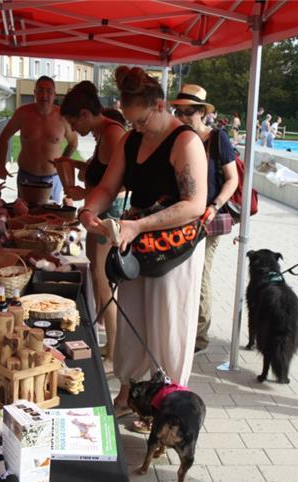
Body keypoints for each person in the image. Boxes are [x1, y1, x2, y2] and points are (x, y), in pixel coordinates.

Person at [77, 66, 207, 428]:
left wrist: (138, 224)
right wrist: (89, 208)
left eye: (142, 121)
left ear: (161, 106)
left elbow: (195, 204)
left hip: (173, 250)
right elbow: (108, 185)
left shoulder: (185, 141)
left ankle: (168, 409)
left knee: (167, 324)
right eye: (132, 122)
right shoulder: (131, 140)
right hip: (137, 244)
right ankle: (130, 391)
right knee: (133, 316)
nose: (136, 129)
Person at [59, 81, 127, 375]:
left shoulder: (112, 134)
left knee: (104, 283)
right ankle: (110, 345)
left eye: (74, 121)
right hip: (99, 214)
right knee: (101, 282)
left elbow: (116, 185)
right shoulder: (104, 133)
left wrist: (85, 195)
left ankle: (115, 353)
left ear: (86, 114)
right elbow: (99, 173)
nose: (73, 128)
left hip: (108, 217)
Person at [169, 84, 239, 354]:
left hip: (207, 219)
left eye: (189, 112)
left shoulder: (217, 138)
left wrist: (215, 205)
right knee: (178, 273)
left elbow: (232, 179)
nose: (183, 116)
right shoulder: (177, 137)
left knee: (200, 275)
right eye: (179, 111)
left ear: (202, 112)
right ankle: (181, 326)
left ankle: (199, 336)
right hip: (179, 218)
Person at [0, 76, 78, 203]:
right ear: (34, 93)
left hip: (53, 177)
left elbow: (73, 143)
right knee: (24, 216)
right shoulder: (23, 113)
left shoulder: (63, 116)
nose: (44, 95)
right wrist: (1, 165)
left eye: (49, 91)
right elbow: (4, 137)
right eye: (40, 90)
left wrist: (62, 161)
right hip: (26, 176)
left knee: (52, 218)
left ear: (54, 94)